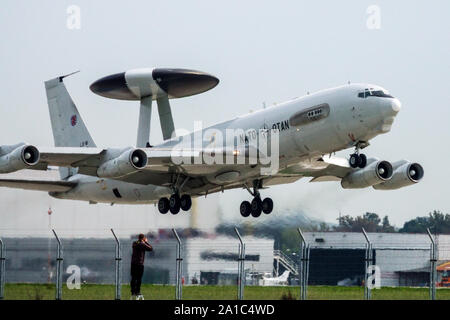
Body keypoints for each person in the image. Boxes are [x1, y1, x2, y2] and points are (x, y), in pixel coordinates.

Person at [130, 233, 153, 300]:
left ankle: (133, 291)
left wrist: (143, 241)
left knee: (133, 278)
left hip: (133, 263)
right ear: (143, 238)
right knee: (139, 278)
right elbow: (151, 248)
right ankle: (138, 292)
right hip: (139, 264)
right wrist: (146, 242)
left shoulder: (134, 243)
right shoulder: (142, 244)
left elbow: (137, 243)